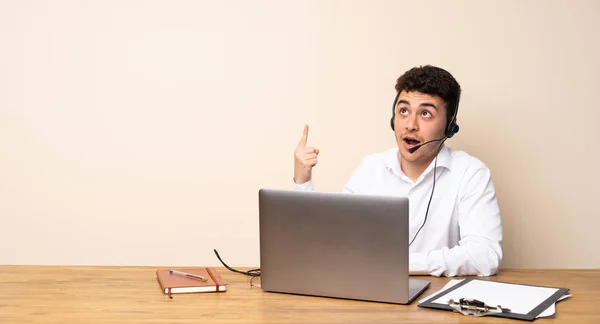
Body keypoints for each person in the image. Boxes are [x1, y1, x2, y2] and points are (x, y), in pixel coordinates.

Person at [291, 65, 503, 277]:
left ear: (449, 126)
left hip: (436, 301)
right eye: (403, 111)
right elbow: (331, 243)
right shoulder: (370, 169)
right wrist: (303, 180)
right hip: (372, 295)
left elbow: (485, 256)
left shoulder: (470, 173)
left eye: (426, 114)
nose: (410, 125)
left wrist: (403, 263)